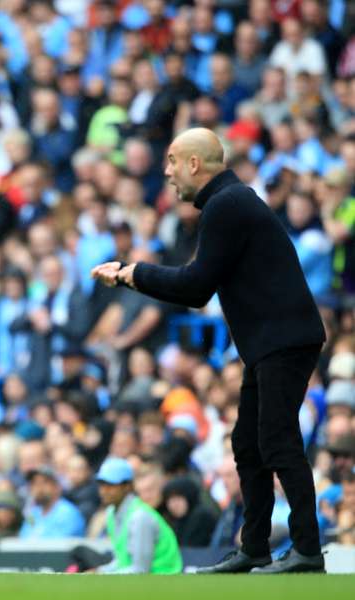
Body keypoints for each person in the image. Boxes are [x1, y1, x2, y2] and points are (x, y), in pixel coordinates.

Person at [92, 127, 327, 574]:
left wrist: (131, 273)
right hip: (273, 342)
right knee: (248, 443)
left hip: (284, 340)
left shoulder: (227, 205)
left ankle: (307, 551)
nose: (167, 173)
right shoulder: (229, 202)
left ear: (194, 164)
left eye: (172, 163)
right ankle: (254, 548)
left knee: (277, 441)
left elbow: (196, 286)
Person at [96, 457, 183, 574]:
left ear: (127, 487)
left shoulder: (140, 517)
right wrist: (99, 571)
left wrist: (103, 575)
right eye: (101, 484)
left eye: (110, 485)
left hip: (165, 584)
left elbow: (140, 571)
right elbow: (122, 562)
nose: (103, 490)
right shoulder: (111, 513)